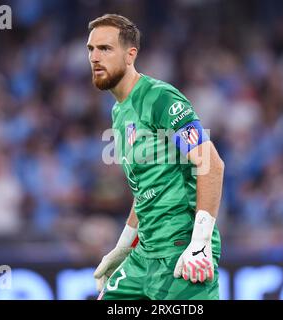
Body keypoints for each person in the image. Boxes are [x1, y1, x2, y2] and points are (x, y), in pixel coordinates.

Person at [87, 14, 224, 300]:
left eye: (105, 49)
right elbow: (146, 187)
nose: (95, 57)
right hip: (144, 254)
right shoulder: (119, 112)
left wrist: (199, 244)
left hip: (180, 252)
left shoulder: (161, 99)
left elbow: (211, 165)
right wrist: (123, 246)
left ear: (130, 55)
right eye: (91, 49)